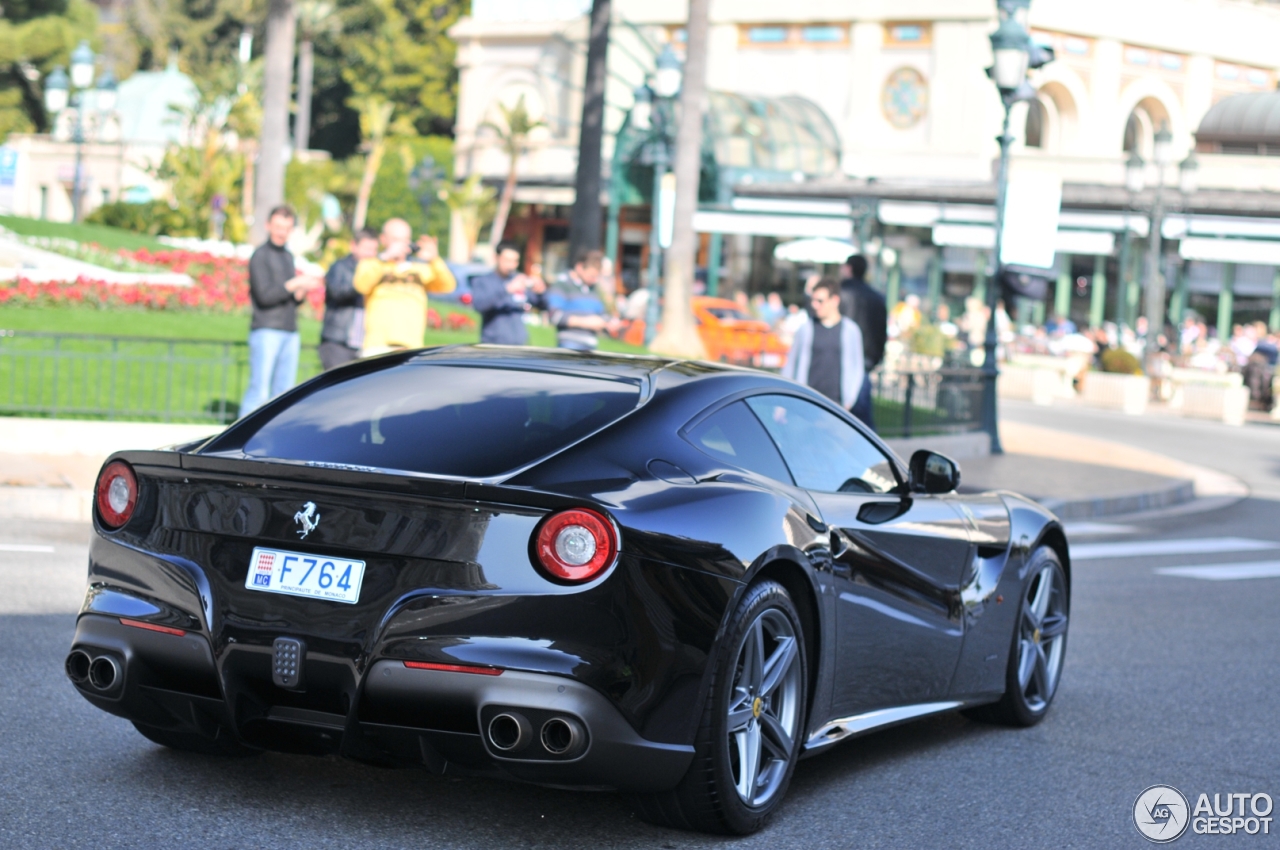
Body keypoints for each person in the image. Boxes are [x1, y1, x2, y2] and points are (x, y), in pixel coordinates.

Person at [241, 205, 322, 414]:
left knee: (283, 394)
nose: (281, 232)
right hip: (266, 330)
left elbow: (290, 298)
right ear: (268, 226)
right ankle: (236, 442)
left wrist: (302, 290)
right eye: (277, 226)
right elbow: (264, 296)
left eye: (286, 228)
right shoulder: (260, 255)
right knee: (258, 392)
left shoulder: (287, 256)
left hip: (289, 332)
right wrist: (294, 284)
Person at [354, 219, 456, 356]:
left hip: (411, 347)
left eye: (406, 239)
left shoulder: (420, 269)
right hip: (377, 346)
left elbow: (447, 286)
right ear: (383, 240)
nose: (402, 245)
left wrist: (434, 259)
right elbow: (361, 286)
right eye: (396, 240)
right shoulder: (372, 263)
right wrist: (385, 256)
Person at [782, 279, 866, 420]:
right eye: (813, 300)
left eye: (820, 301)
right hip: (806, 404)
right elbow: (790, 366)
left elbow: (857, 367)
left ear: (834, 300)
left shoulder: (850, 330)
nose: (815, 305)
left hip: (837, 408)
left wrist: (849, 400)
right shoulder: (806, 329)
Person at [318, 228, 379, 370]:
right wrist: (362, 283)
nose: (370, 254)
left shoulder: (376, 270)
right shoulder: (339, 267)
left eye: (374, 249)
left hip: (365, 343)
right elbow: (337, 293)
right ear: (354, 246)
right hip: (338, 342)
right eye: (366, 248)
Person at [838, 255, 887, 429]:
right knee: (862, 424)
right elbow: (881, 334)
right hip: (865, 362)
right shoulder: (876, 297)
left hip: (839, 360)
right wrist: (874, 360)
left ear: (848, 268)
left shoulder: (839, 293)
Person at [470, 240, 546, 345]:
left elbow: (541, 306)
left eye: (515, 261)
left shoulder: (519, 279)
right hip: (493, 344)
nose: (511, 265)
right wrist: (507, 289)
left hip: (519, 344)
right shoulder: (483, 281)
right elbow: (479, 305)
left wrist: (540, 292)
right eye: (507, 260)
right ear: (496, 258)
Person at [546, 249, 620, 351]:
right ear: (580, 267)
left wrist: (609, 322)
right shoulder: (562, 285)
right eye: (592, 276)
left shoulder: (594, 289)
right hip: (569, 344)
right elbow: (554, 316)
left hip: (591, 346)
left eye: (597, 276)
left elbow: (602, 314)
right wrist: (586, 322)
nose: (595, 280)